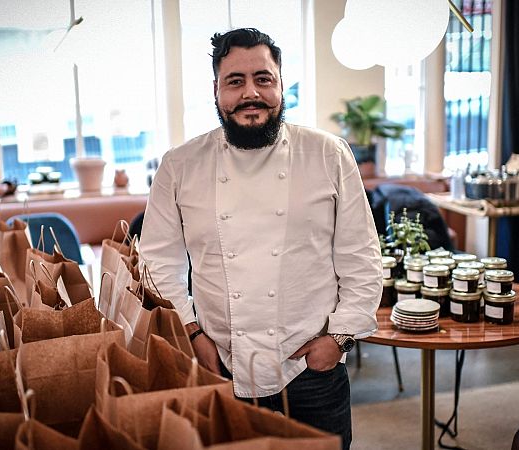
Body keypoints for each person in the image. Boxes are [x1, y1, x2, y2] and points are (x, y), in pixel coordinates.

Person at [139, 28, 381, 449]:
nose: (251, 94)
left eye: (263, 79)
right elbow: (157, 263)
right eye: (235, 81)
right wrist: (192, 332)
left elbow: (361, 256)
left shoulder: (328, 154)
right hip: (220, 365)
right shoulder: (179, 166)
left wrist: (339, 339)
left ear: (282, 85)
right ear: (216, 90)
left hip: (310, 370)